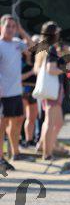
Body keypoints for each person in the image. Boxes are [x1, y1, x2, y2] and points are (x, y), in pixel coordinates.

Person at [0, 14, 34, 170]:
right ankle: (1, 157)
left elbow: (33, 48)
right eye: (8, 26)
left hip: (15, 91)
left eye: (13, 27)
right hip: (3, 92)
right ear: (1, 27)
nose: (10, 29)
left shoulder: (17, 43)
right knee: (2, 125)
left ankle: (16, 152)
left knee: (18, 120)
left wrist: (22, 31)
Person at [34, 22, 66, 160]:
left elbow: (37, 70)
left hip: (49, 89)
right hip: (52, 90)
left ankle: (43, 145)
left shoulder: (43, 48)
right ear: (53, 33)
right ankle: (47, 153)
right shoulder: (51, 48)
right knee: (50, 122)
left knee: (57, 123)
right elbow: (50, 69)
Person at [21, 36, 39, 147]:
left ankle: (29, 140)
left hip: (34, 89)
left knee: (31, 117)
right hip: (23, 89)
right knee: (20, 117)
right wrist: (31, 72)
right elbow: (18, 77)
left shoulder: (36, 59)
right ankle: (19, 139)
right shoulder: (20, 60)